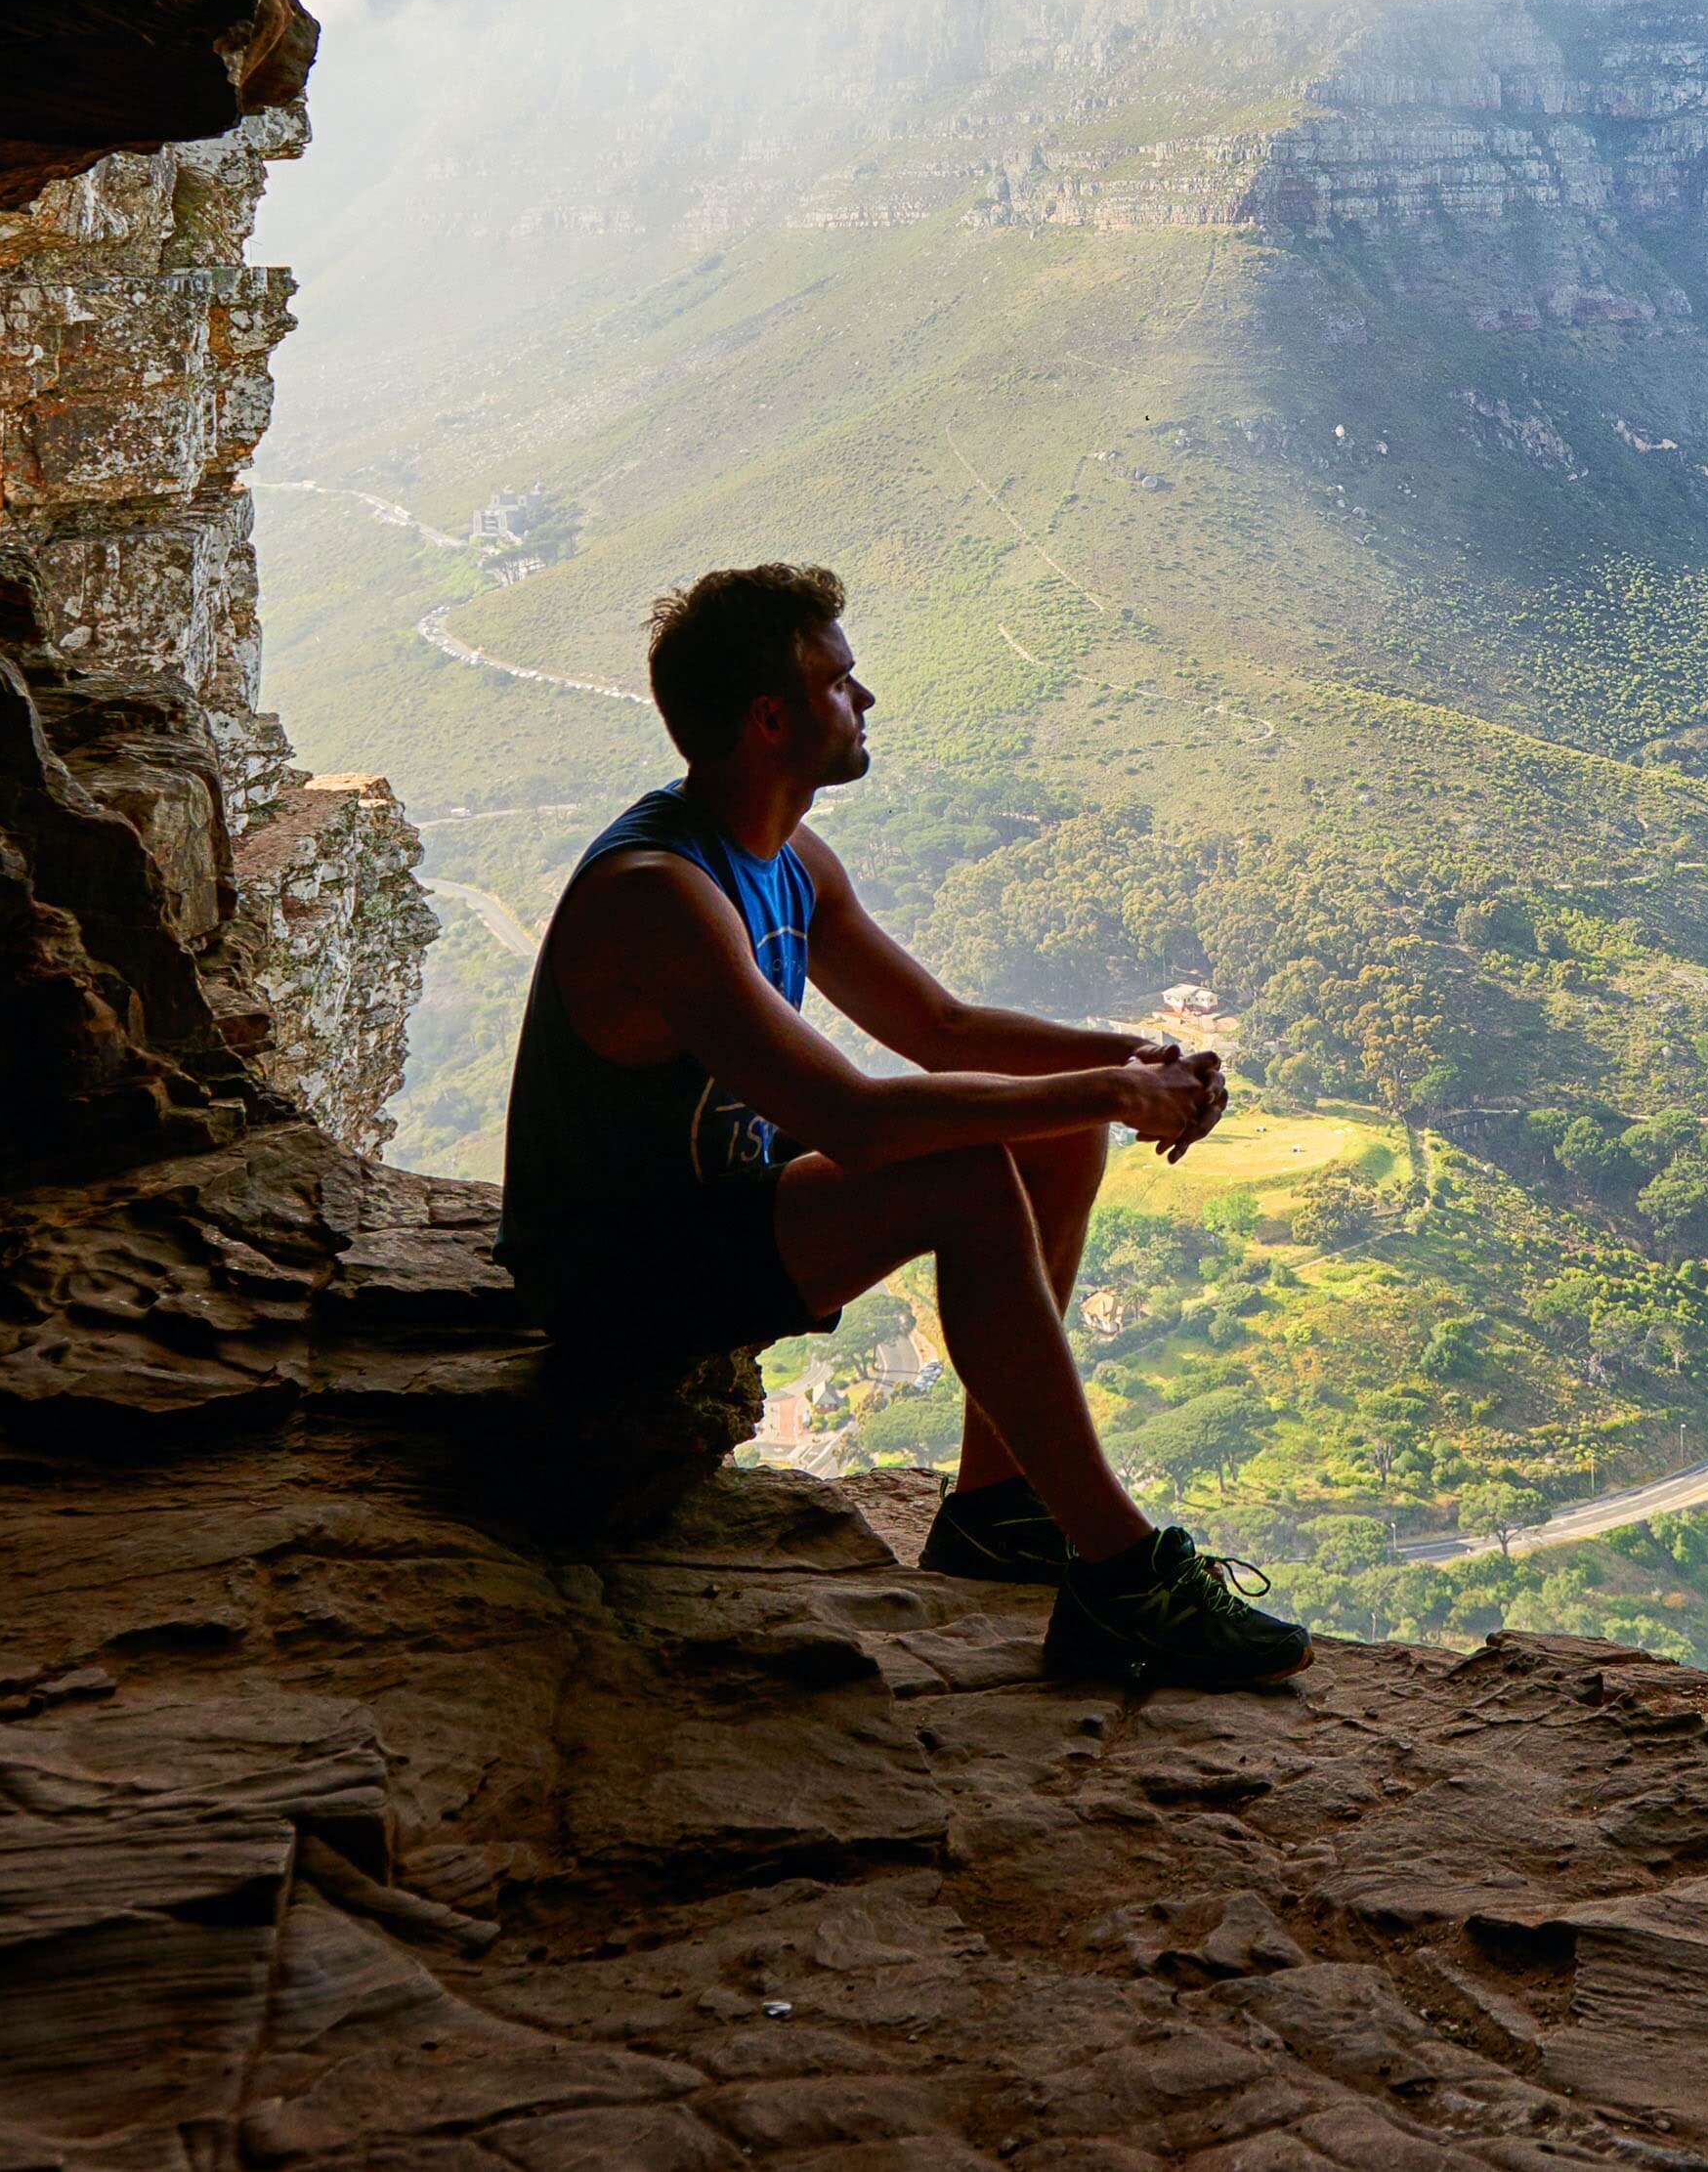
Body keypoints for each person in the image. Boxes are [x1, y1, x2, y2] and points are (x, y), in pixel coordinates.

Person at [497, 559, 1309, 1688]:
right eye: (841, 680)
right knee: (968, 1177)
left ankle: (996, 1510)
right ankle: (1126, 1578)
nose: (865, 699)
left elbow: (940, 1023)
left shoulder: (786, 858)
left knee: (1050, 1134)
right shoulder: (662, 892)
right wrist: (1117, 1094)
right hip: (621, 1270)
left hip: (719, 1211)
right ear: (770, 717)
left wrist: (1127, 1059)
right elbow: (856, 1119)